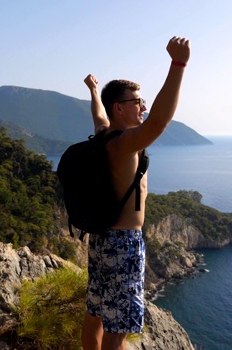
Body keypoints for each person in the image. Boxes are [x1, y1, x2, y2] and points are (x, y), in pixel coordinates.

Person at [81, 36, 191, 350]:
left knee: (95, 317)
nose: (142, 106)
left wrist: (92, 90)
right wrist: (178, 65)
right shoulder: (125, 144)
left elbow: (98, 116)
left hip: (102, 239)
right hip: (124, 244)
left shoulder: (105, 135)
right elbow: (159, 121)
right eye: (136, 101)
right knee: (118, 332)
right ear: (120, 107)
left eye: (142, 101)